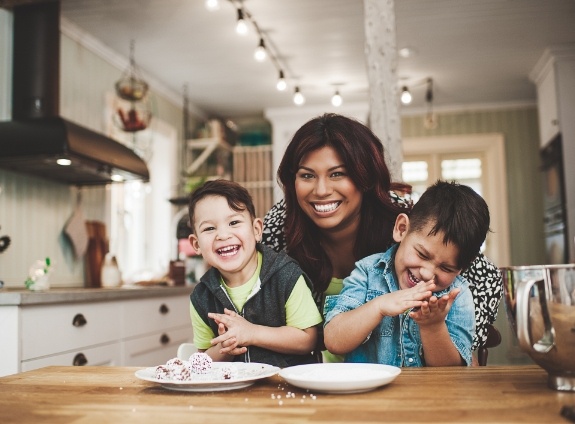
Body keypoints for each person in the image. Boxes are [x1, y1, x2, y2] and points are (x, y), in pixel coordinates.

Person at [261, 113, 502, 359]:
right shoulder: (282, 223)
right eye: (307, 175)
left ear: (365, 176)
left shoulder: (400, 217)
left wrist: (442, 329)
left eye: (337, 174)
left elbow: (488, 279)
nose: (321, 190)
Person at [323, 180, 490, 366]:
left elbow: (453, 374)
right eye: (422, 254)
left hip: (428, 395)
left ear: (461, 269)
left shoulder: (457, 295)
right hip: (366, 394)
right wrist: (378, 306)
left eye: (446, 268)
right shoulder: (368, 273)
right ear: (401, 229)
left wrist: (433, 327)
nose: (427, 274)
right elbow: (333, 341)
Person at [187, 179, 322, 368]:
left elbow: (308, 339)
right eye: (209, 228)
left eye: (234, 222)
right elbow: (205, 359)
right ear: (196, 244)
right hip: (233, 392)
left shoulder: (286, 276)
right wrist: (226, 345)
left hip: (288, 388)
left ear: (257, 230)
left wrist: (251, 333)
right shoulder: (201, 297)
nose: (223, 235)